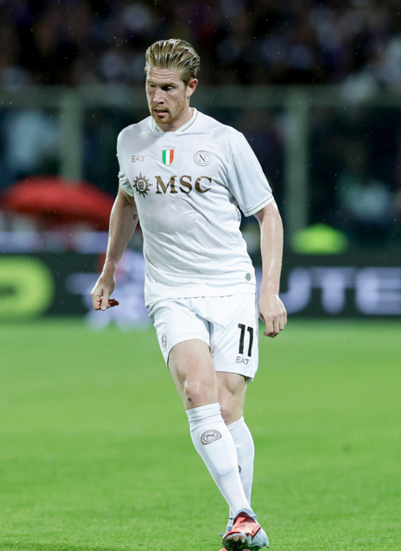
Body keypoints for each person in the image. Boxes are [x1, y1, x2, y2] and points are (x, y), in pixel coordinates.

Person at [89, 38, 286, 551]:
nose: (157, 97)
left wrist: (269, 293)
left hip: (230, 288)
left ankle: (242, 516)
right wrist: (109, 271)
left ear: (191, 87)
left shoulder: (224, 141)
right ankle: (243, 516)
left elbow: (268, 214)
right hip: (170, 291)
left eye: (168, 88)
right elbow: (125, 203)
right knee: (198, 392)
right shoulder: (130, 140)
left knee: (228, 405)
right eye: (150, 86)